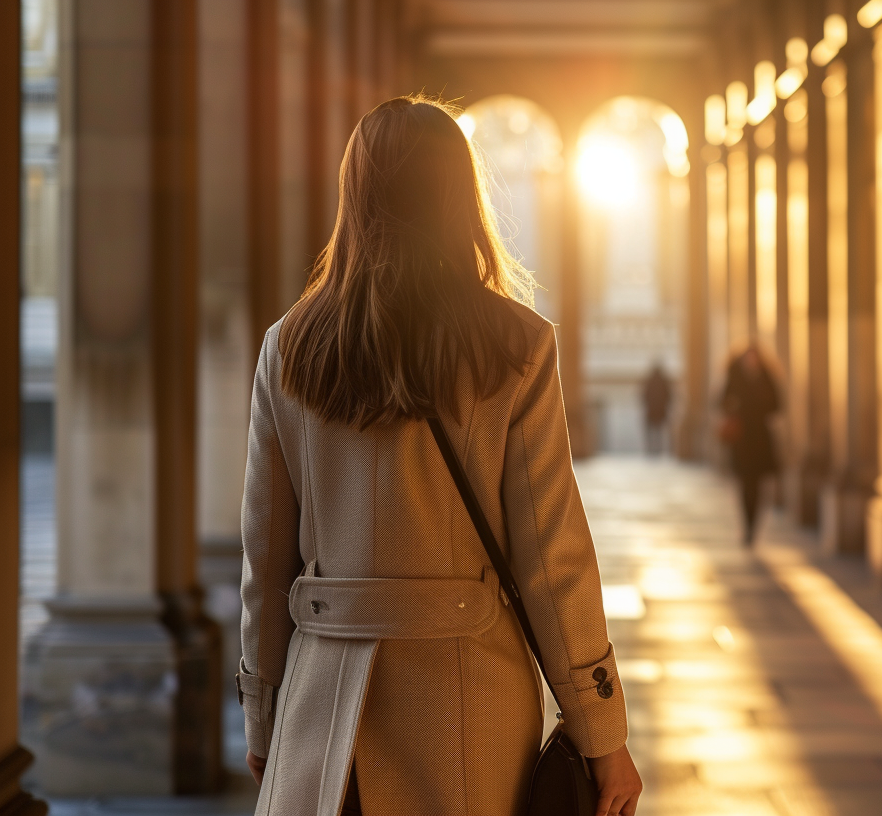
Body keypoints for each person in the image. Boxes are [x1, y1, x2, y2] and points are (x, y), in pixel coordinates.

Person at [235, 96, 642, 816]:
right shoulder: (516, 345)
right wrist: (602, 733)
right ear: (461, 195)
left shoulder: (288, 346)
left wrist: (264, 710)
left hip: (323, 710)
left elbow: (265, 566)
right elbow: (553, 561)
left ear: (354, 195)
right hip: (468, 701)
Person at [719, 345, 780, 545]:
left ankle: (753, 526)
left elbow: (778, 404)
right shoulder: (734, 377)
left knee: (759, 486)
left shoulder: (766, 377)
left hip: (760, 439)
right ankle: (747, 527)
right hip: (742, 439)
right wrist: (734, 405)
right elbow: (720, 401)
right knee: (745, 485)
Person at [640, 362, 672, 456]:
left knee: (651, 432)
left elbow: (644, 395)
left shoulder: (649, 381)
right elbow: (669, 396)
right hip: (660, 410)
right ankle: (658, 449)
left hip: (652, 410)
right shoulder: (663, 381)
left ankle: (651, 449)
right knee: (659, 432)